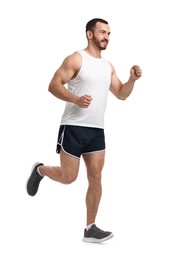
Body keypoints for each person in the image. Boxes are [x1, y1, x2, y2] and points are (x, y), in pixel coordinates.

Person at [27, 18, 142, 243]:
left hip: (96, 130)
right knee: (69, 177)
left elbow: (121, 94)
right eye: (102, 32)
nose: (106, 37)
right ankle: (40, 170)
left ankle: (90, 228)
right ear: (90, 34)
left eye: (108, 33)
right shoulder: (76, 58)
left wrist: (132, 80)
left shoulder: (108, 66)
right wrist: (76, 99)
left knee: (96, 177)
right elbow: (53, 85)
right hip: (73, 126)